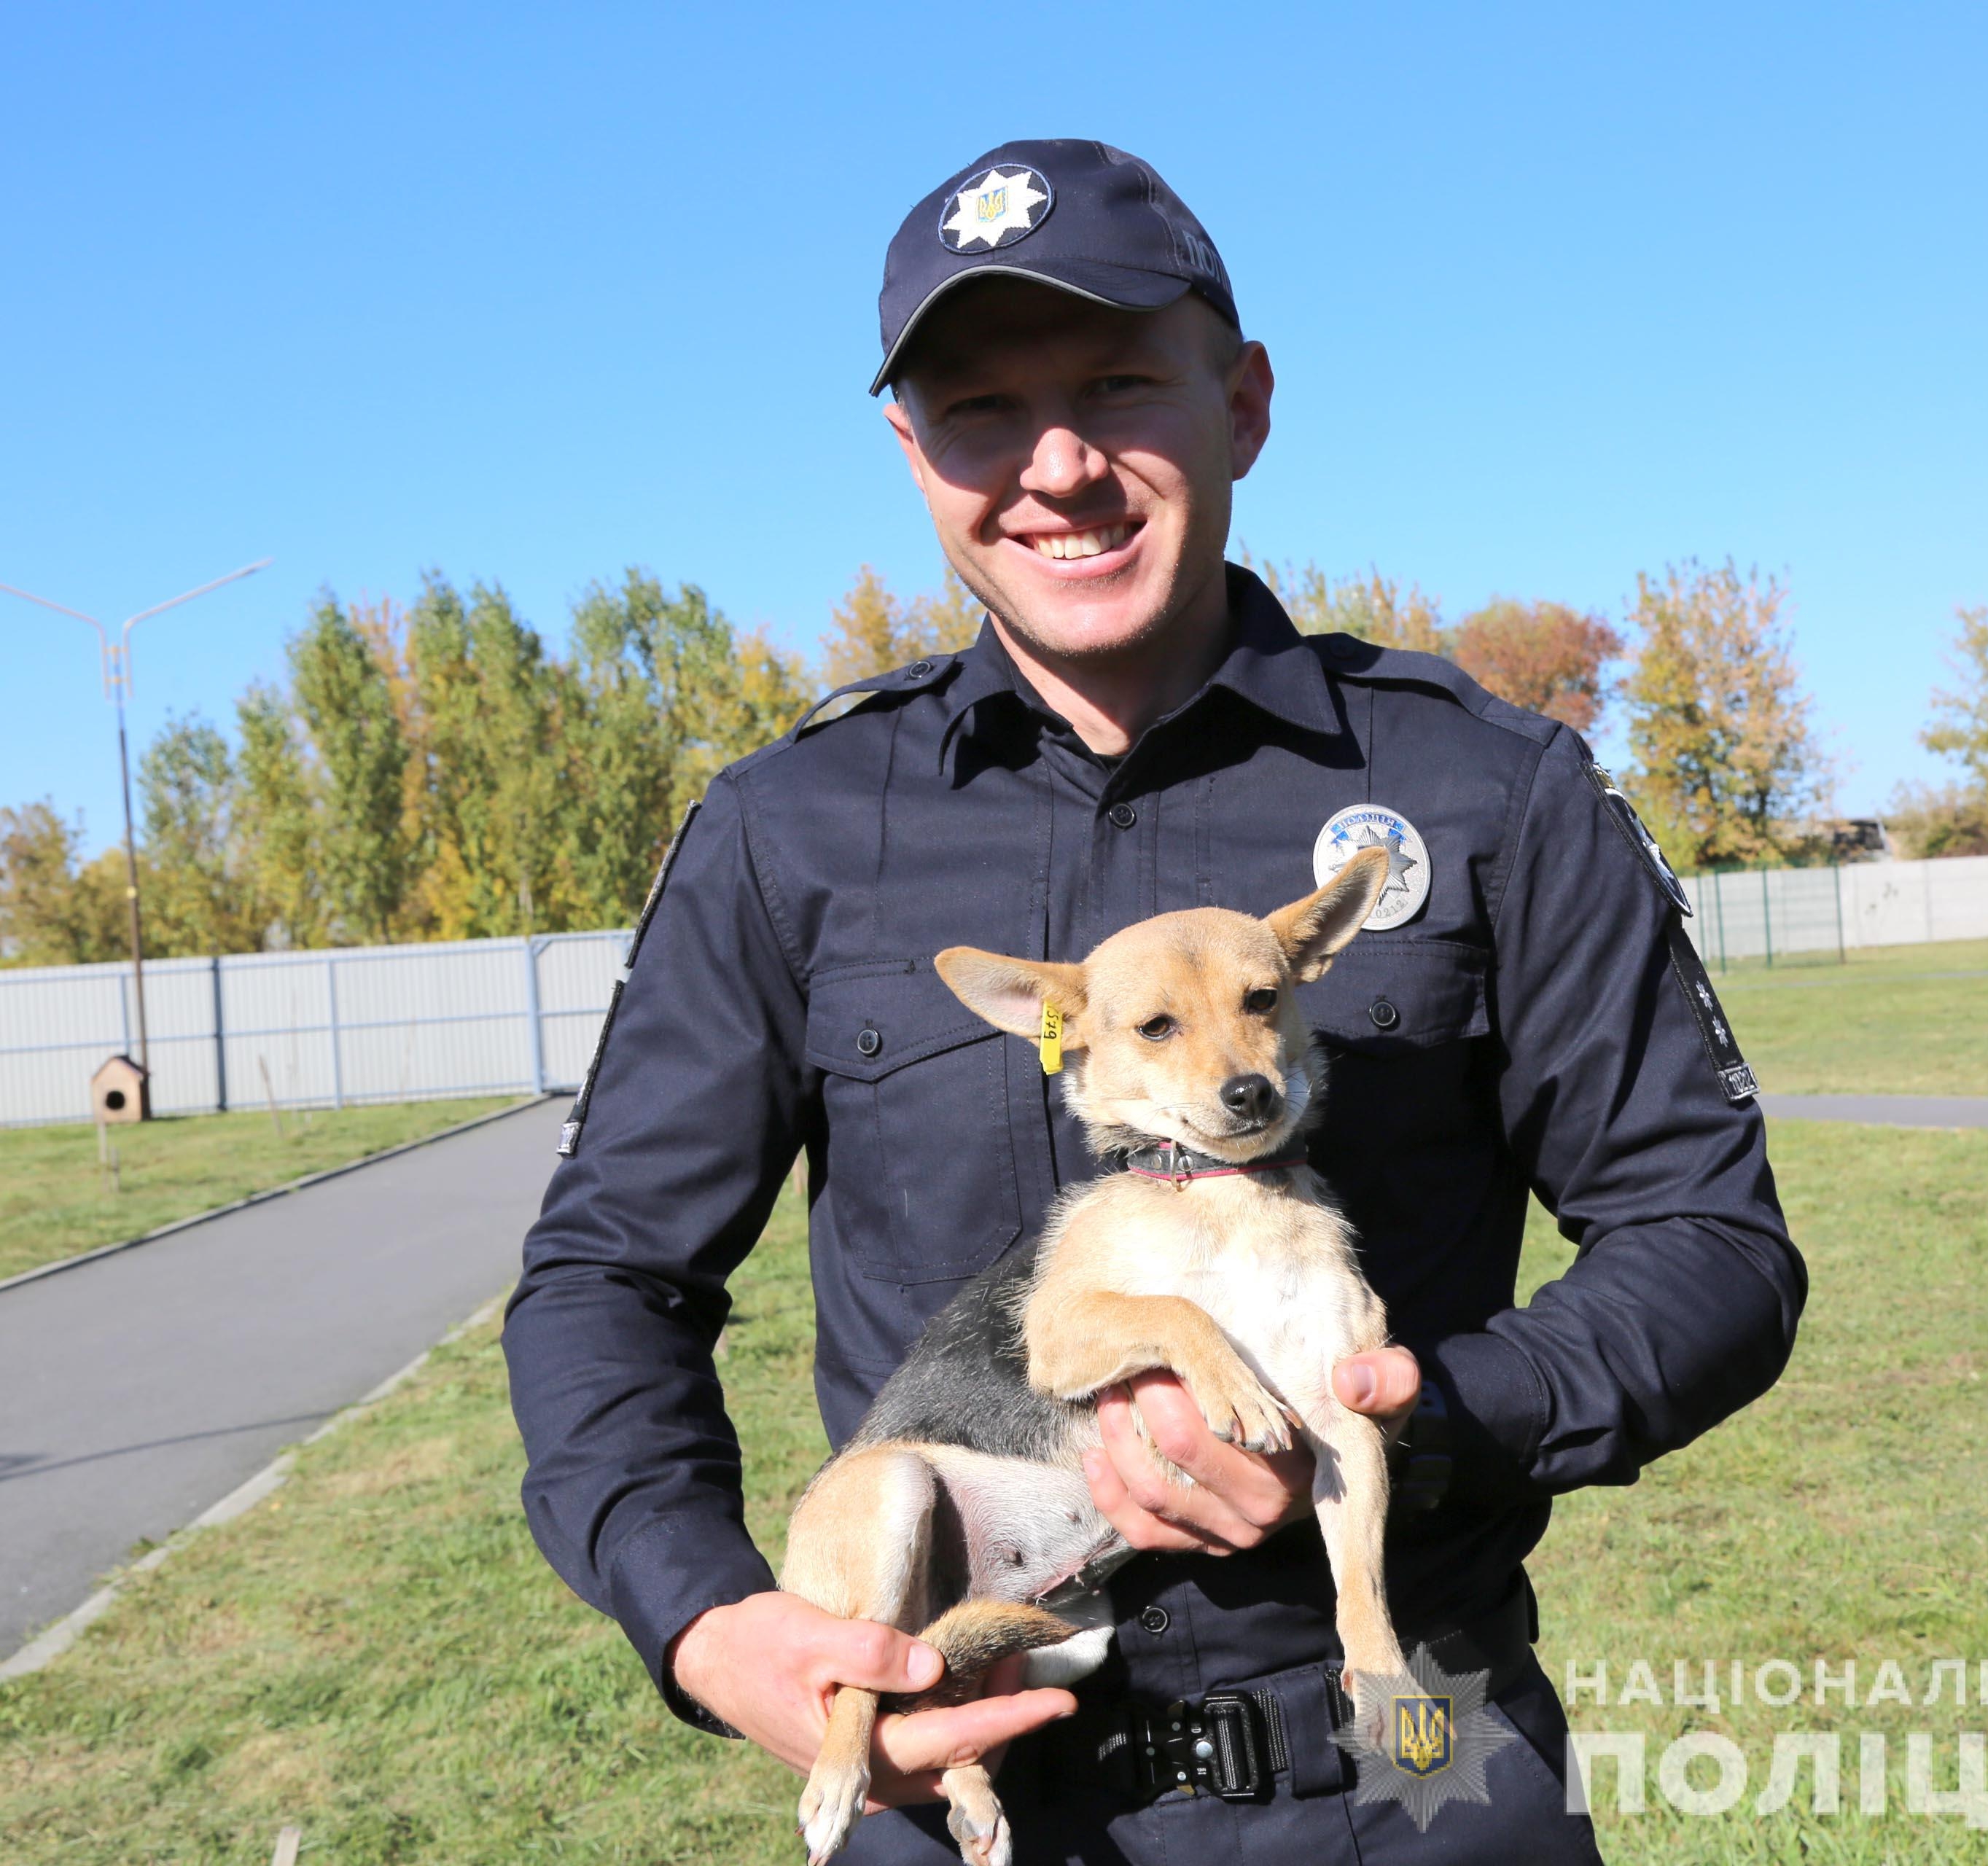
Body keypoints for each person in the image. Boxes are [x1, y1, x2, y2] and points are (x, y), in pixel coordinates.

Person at [504, 137, 1808, 1864]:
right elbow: (606, 1272)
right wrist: (710, 1616)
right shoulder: (791, 830)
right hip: (970, 1789)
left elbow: (1710, 1241)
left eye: (1119, 381)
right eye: (978, 409)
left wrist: (1411, 1429)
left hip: (1409, 1771)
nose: (1055, 465)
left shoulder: (1490, 789)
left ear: (1244, 401)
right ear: (912, 454)